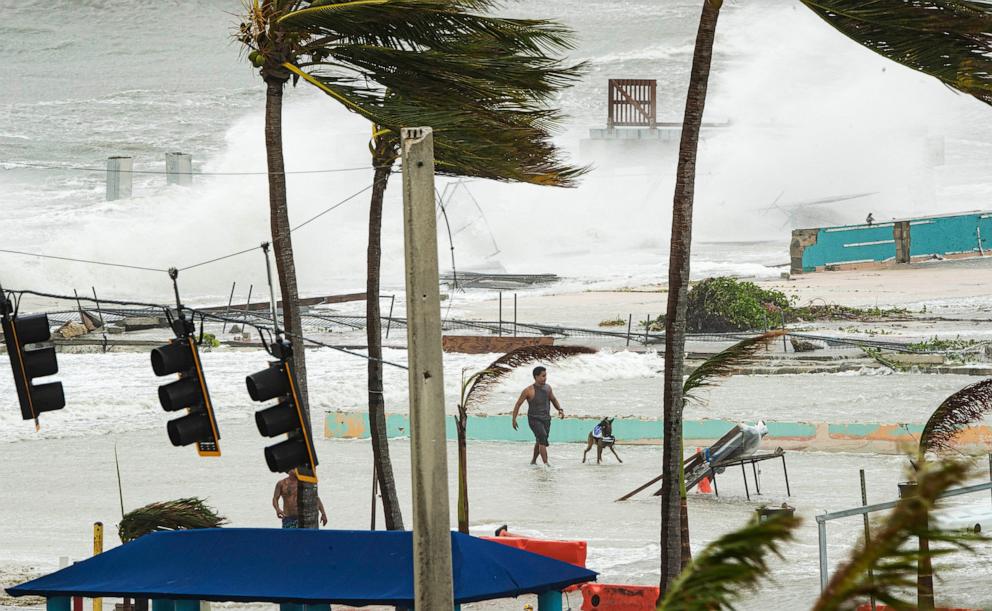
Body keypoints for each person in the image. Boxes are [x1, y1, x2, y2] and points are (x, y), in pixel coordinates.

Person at [511, 366, 565, 465]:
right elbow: (518, 404)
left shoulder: (548, 388)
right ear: (536, 377)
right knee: (542, 437)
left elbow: (553, 399)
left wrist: (560, 409)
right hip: (534, 419)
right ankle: (546, 464)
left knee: (540, 440)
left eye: (546, 376)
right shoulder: (528, 390)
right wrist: (514, 419)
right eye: (543, 376)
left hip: (546, 419)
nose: (545, 378)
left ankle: (533, 461)